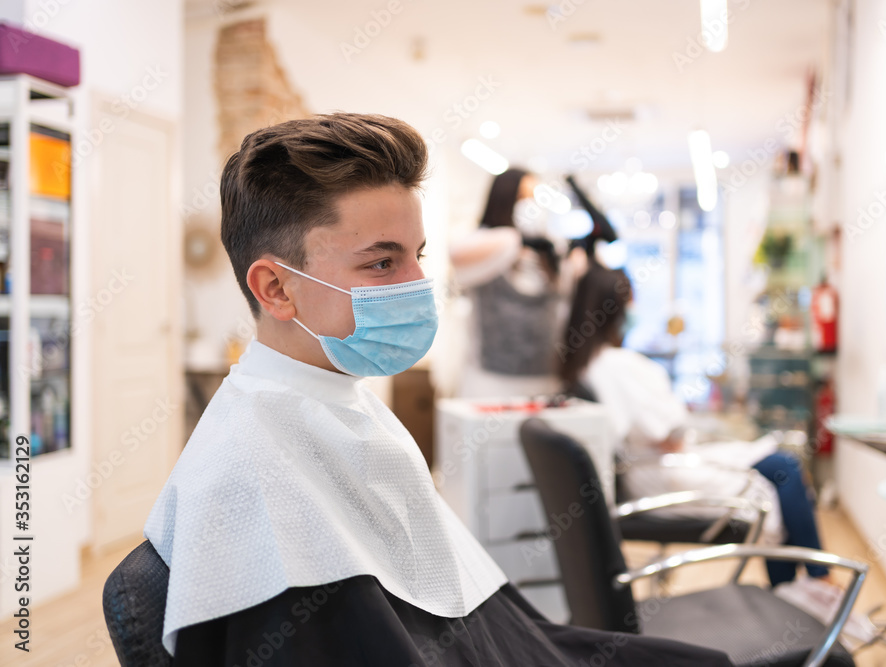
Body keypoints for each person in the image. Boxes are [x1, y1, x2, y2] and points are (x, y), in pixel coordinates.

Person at [142, 114, 733, 666]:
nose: (419, 285)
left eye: (417, 256)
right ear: (275, 288)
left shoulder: (338, 402)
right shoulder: (247, 475)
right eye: (381, 263)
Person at [558, 265, 830, 587]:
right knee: (782, 471)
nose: (634, 311)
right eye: (631, 303)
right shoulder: (621, 366)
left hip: (646, 472)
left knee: (778, 468)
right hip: (663, 474)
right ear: (615, 309)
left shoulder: (586, 365)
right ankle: (818, 585)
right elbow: (669, 436)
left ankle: (799, 589)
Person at [448, 168, 586, 398]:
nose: (531, 205)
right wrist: (517, 239)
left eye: (536, 197)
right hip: (490, 381)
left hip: (544, 379)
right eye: (524, 197)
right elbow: (456, 254)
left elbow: (569, 287)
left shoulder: (549, 252)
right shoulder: (491, 242)